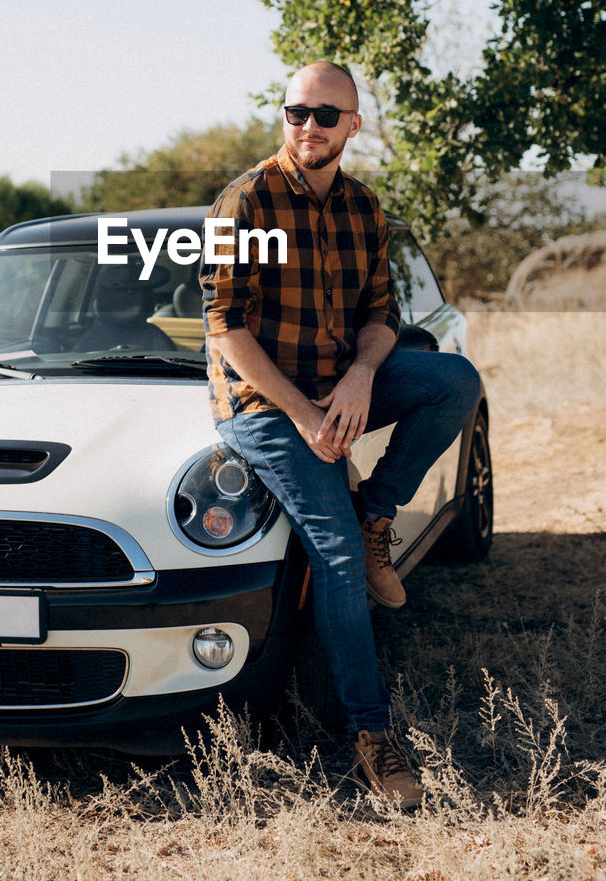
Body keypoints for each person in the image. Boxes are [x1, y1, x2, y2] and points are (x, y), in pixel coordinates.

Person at [199, 60, 481, 807]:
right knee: (334, 554)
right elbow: (225, 326)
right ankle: (372, 732)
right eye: (296, 113)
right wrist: (304, 414)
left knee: (453, 380)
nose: (308, 128)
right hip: (263, 407)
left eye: (326, 116)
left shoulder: (362, 207)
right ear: (282, 118)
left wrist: (357, 380)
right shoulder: (246, 203)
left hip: (335, 384)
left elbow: (382, 315)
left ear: (353, 124)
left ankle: (377, 514)